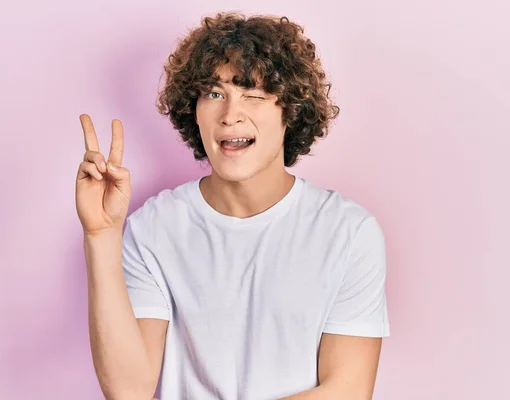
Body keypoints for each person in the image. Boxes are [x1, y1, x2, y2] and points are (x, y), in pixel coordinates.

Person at [75, 12, 390, 400]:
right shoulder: (155, 227)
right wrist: (101, 234)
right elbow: (129, 390)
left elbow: (348, 390)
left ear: (290, 112)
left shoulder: (348, 233)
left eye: (253, 95)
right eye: (214, 93)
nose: (230, 115)